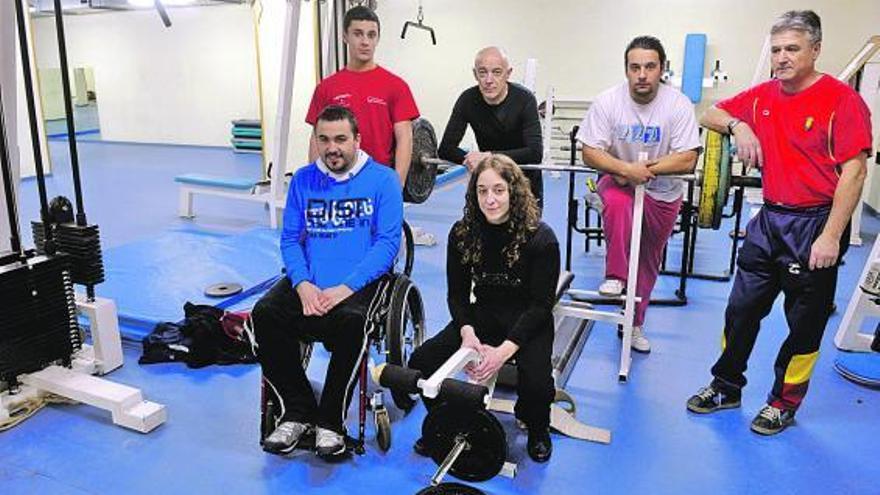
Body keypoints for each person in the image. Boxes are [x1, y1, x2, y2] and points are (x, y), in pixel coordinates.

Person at [686, 10, 872, 435]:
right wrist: (739, 127)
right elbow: (708, 114)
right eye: (776, 50)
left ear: (816, 50)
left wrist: (830, 236)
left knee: (803, 325)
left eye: (792, 49)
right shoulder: (762, 96)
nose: (782, 58)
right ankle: (726, 385)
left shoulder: (842, 102)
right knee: (740, 310)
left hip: (815, 223)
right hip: (769, 218)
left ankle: (783, 402)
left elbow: (855, 173)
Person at [254, 105, 403, 458]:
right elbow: (291, 239)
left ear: (357, 140)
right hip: (311, 284)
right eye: (324, 139)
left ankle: (331, 421)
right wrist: (303, 283)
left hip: (357, 285)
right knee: (265, 314)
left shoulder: (383, 181)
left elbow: (387, 243)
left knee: (353, 322)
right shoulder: (304, 180)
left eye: (340, 139)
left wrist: (346, 288)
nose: (332, 147)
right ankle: (298, 410)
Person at [407, 154, 559, 463]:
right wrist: (467, 333)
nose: (490, 200)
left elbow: (541, 306)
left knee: (537, 385)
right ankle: (447, 422)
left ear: (513, 191)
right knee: (422, 361)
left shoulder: (541, 239)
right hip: (485, 313)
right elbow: (458, 296)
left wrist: (503, 352)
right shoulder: (463, 234)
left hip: (529, 319)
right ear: (473, 194)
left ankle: (537, 426)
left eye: (499, 190)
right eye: (482, 191)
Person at [576, 36, 701, 353]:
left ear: (662, 69)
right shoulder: (608, 101)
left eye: (649, 67)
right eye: (635, 67)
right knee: (618, 203)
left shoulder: (678, 104)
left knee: (647, 261)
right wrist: (625, 170)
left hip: (664, 193)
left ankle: (633, 325)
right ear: (626, 70)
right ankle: (615, 275)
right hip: (619, 181)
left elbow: (688, 157)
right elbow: (590, 152)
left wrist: (645, 169)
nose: (642, 74)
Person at [305, 5, 419, 186]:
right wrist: (315, 183)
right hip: (337, 181)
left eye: (371, 35)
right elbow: (316, 139)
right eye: (358, 34)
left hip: (379, 182)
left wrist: (397, 186)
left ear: (377, 39)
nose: (365, 41)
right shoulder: (326, 88)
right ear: (345, 36)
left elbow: (405, 139)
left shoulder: (396, 86)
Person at [438, 46, 544, 206]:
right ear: (475, 74)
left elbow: (535, 153)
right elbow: (446, 149)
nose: (489, 80)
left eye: (496, 72)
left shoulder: (524, 100)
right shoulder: (467, 100)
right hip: (488, 184)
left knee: (524, 230)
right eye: (482, 72)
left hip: (524, 183)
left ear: (508, 74)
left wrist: (488, 157)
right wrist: (474, 160)